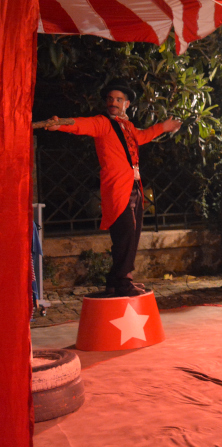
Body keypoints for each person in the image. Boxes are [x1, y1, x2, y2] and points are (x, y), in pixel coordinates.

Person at [43, 82, 181, 296]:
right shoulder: (103, 123)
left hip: (134, 185)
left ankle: (118, 280)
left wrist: (163, 127)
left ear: (126, 104)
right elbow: (82, 125)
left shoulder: (128, 126)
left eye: (118, 99)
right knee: (124, 232)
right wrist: (60, 124)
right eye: (110, 99)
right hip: (117, 186)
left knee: (132, 233)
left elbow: (142, 137)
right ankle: (122, 282)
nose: (112, 103)